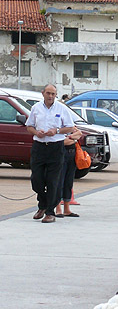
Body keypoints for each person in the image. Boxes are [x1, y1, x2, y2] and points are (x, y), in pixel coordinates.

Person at [25, 84, 76, 223]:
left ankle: (49, 211)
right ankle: (42, 204)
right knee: (37, 179)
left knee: (53, 181)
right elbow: (29, 126)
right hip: (39, 147)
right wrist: (36, 132)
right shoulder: (36, 108)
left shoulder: (62, 108)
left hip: (56, 147)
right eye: (48, 93)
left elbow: (70, 127)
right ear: (43, 93)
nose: (50, 96)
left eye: (53, 94)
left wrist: (57, 131)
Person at [54, 127, 83, 218]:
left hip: (72, 155)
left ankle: (67, 209)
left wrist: (70, 138)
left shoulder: (69, 125)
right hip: (60, 154)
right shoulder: (56, 126)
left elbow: (79, 134)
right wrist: (73, 138)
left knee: (68, 182)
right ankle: (58, 208)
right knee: (59, 182)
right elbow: (61, 142)